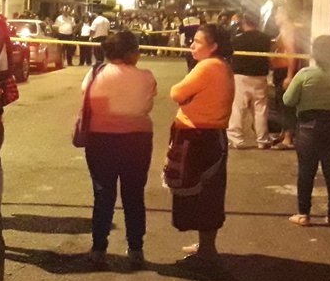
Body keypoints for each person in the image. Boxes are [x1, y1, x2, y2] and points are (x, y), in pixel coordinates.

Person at [81, 31, 157, 268]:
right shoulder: (146, 77)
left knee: (103, 194)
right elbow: (147, 105)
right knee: (134, 194)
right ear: (131, 53)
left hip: (101, 139)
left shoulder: (96, 73)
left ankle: (98, 247)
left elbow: (87, 97)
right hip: (137, 139)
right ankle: (135, 248)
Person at [165, 23, 235, 266]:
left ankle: (207, 251)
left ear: (213, 47)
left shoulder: (208, 66)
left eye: (197, 41)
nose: (191, 45)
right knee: (209, 191)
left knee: (204, 192)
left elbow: (176, 92)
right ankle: (206, 245)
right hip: (209, 135)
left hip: (199, 137)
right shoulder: (220, 65)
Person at [284, 35, 330, 227]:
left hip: (308, 129)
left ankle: (304, 214)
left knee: (306, 172)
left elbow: (288, 100)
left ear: (315, 53)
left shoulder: (305, 74)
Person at [226, 12, 273, 149]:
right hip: (260, 75)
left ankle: (237, 138)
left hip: (241, 76)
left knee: (238, 107)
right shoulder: (265, 38)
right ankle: (262, 139)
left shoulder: (238, 38)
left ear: (244, 22)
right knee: (260, 109)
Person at [268, 4, 303, 150]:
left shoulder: (288, 30)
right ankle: (284, 133)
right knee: (281, 103)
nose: (275, 17)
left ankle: (288, 138)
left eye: (278, 14)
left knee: (286, 104)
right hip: (280, 70)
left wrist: (289, 76)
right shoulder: (285, 30)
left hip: (285, 71)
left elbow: (291, 53)